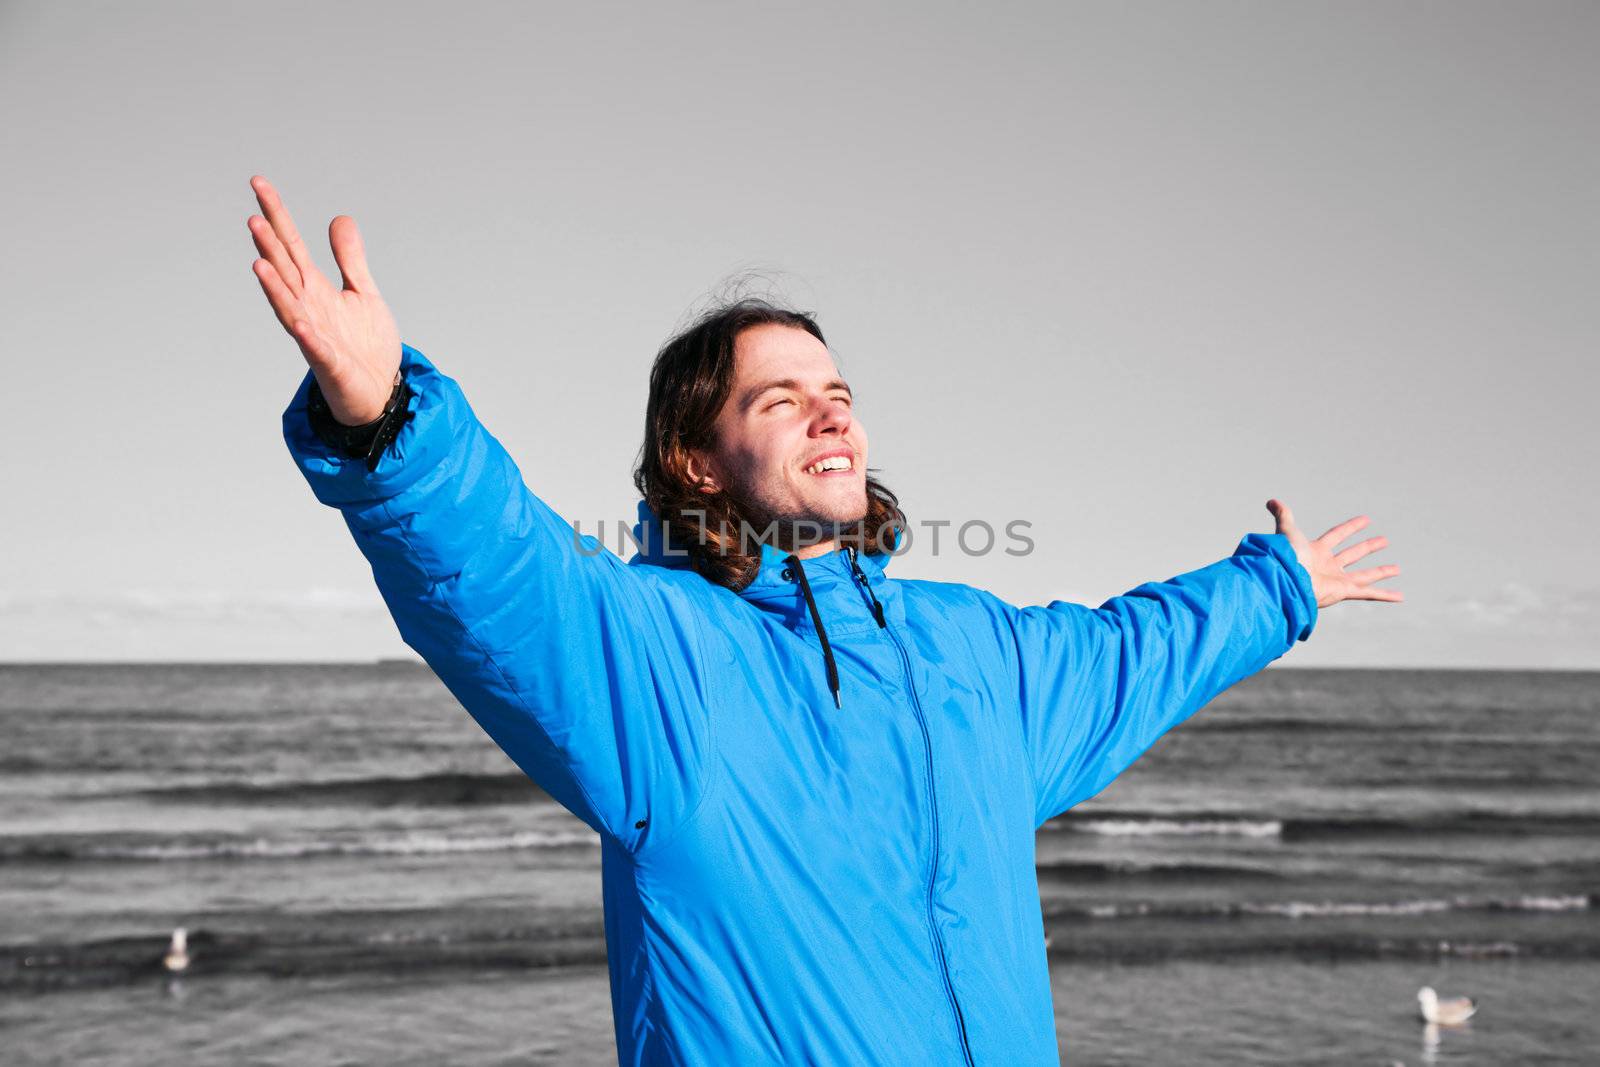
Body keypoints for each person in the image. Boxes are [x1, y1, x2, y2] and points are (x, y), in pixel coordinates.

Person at [247, 175, 1401, 1066]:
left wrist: (1275, 586)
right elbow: (502, 573)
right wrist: (386, 416)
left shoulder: (972, 650)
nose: (828, 413)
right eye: (781, 399)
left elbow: (1127, 654)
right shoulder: (663, 663)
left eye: (838, 393)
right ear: (696, 459)